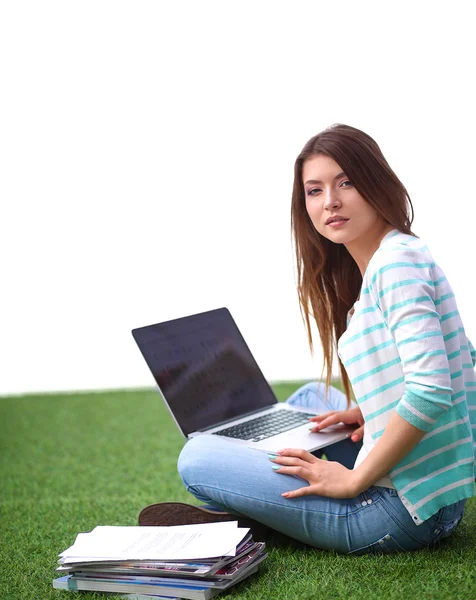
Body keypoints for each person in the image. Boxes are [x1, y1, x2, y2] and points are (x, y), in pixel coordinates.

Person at [139, 124, 476, 554]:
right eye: (314, 190)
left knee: (198, 456)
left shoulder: (395, 267)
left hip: (400, 509)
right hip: (432, 490)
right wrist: (370, 412)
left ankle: (259, 515)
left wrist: (355, 479)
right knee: (314, 398)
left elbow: (431, 390)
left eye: (346, 182)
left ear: (376, 183)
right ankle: (269, 507)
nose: (330, 201)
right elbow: (463, 358)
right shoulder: (400, 254)